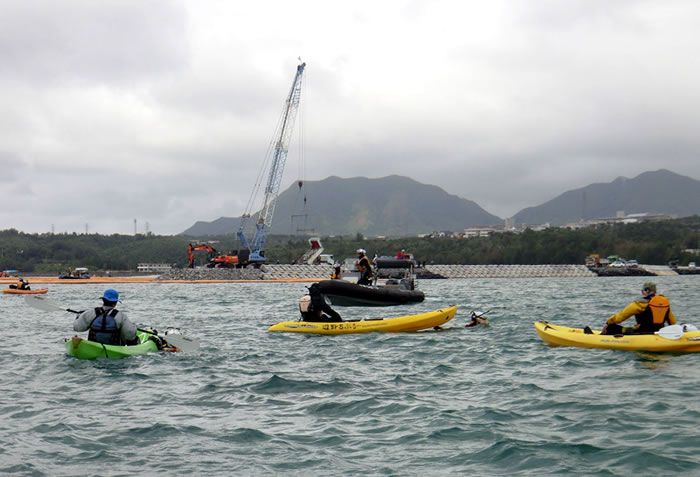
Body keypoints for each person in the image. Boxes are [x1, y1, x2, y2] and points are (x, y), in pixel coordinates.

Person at [600, 282, 676, 335]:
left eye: (643, 291)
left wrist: (608, 323)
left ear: (646, 291)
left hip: (641, 332)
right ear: (655, 291)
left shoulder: (639, 303)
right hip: (659, 332)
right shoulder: (664, 303)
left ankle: (600, 336)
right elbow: (672, 322)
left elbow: (620, 317)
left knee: (611, 327)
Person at [73, 289, 139, 345]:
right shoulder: (121, 316)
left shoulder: (91, 313)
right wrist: (134, 327)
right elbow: (130, 335)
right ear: (115, 303)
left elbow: (77, 327)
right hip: (113, 349)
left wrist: (79, 316)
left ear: (103, 300)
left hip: (93, 346)